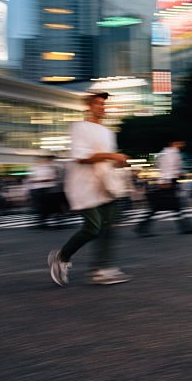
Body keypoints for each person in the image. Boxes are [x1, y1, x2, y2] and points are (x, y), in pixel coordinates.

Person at [48, 92, 132, 286]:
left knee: (110, 227)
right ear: (88, 106)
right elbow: (82, 157)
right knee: (93, 228)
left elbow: (107, 160)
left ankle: (102, 269)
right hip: (84, 186)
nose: (102, 107)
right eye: (97, 103)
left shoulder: (108, 132)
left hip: (106, 186)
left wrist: (119, 163)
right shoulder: (79, 128)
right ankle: (61, 257)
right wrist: (112, 155)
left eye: (103, 104)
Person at [136, 140, 192, 236]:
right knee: (166, 207)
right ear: (174, 142)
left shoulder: (166, 152)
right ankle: (141, 228)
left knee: (174, 207)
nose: (182, 144)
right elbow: (166, 169)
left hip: (169, 182)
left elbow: (164, 167)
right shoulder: (170, 153)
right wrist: (165, 182)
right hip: (168, 183)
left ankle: (186, 228)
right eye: (180, 142)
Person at [26, 154, 61, 228]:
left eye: (43, 159)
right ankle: (42, 221)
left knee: (47, 205)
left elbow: (54, 178)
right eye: (40, 159)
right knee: (41, 206)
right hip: (38, 189)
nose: (42, 160)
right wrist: (41, 180)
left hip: (48, 189)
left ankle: (45, 220)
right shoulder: (34, 168)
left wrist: (45, 180)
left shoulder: (50, 168)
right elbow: (31, 178)